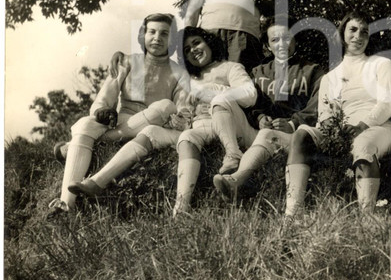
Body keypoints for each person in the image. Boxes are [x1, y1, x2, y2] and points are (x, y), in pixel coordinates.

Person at [48, 13, 188, 216]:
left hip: (152, 122)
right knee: (85, 123)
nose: (157, 38)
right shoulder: (127, 62)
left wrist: (179, 118)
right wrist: (101, 111)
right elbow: (106, 96)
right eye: (152, 32)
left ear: (172, 39)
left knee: (166, 105)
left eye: (164, 34)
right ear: (143, 35)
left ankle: (75, 147)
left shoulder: (178, 72)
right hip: (121, 120)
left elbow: (182, 108)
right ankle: (65, 203)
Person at [283, 11, 391, 216]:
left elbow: (387, 104)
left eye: (364, 32)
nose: (358, 36)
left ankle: (366, 216)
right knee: (301, 134)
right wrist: (332, 130)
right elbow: (325, 114)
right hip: (342, 130)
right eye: (353, 30)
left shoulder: (381, 65)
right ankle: (291, 213)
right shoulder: (329, 77)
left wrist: (361, 126)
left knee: (363, 144)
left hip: (376, 127)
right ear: (343, 33)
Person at [213, 15, 324, 202]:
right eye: (274, 39)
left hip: (293, 138)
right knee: (224, 99)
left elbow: (319, 104)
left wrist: (292, 123)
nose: (281, 44)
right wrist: (259, 117)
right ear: (267, 45)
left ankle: (236, 181)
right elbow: (248, 104)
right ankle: (232, 155)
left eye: (287, 38)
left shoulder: (312, 70)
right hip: (257, 132)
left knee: (268, 135)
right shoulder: (258, 71)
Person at [169, 27, 259, 216]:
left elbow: (249, 96)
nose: (193, 50)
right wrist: (182, 119)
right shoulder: (190, 80)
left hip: (235, 125)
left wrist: (211, 90)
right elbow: (185, 112)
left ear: (208, 42)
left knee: (219, 101)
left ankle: (234, 155)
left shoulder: (230, 67)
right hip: (205, 127)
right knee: (187, 137)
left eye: (196, 43)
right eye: (187, 50)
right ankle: (181, 207)